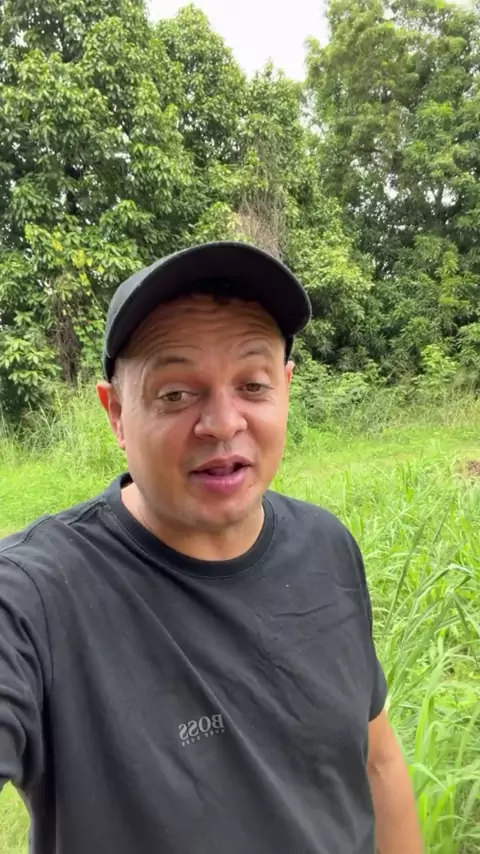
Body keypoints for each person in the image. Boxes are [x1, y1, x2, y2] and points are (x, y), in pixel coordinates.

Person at [0, 242, 422, 854]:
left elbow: (375, 760)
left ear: (285, 388)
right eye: (176, 393)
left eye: (252, 384)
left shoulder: (327, 545)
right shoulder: (35, 597)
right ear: (116, 414)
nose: (223, 423)